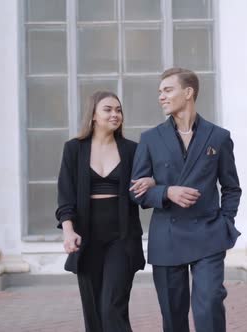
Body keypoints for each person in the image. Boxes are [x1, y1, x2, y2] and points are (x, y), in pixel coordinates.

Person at [129, 68, 242, 332]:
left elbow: (231, 187)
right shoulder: (150, 138)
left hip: (208, 233)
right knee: (173, 314)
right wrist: (166, 192)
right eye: (160, 92)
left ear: (188, 93)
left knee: (210, 302)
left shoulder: (218, 137)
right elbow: (135, 191)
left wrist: (225, 222)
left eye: (168, 90)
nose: (161, 97)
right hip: (167, 236)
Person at [56, 90, 154, 332]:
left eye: (118, 110)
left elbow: (146, 184)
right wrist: (68, 232)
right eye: (108, 109)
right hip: (86, 237)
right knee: (94, 314)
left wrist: (151, 182)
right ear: (93, 116)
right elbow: (65, 195)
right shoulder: (74, 149)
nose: (115, 114)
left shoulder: (133, 149)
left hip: (122, 236)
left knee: (112, 306)